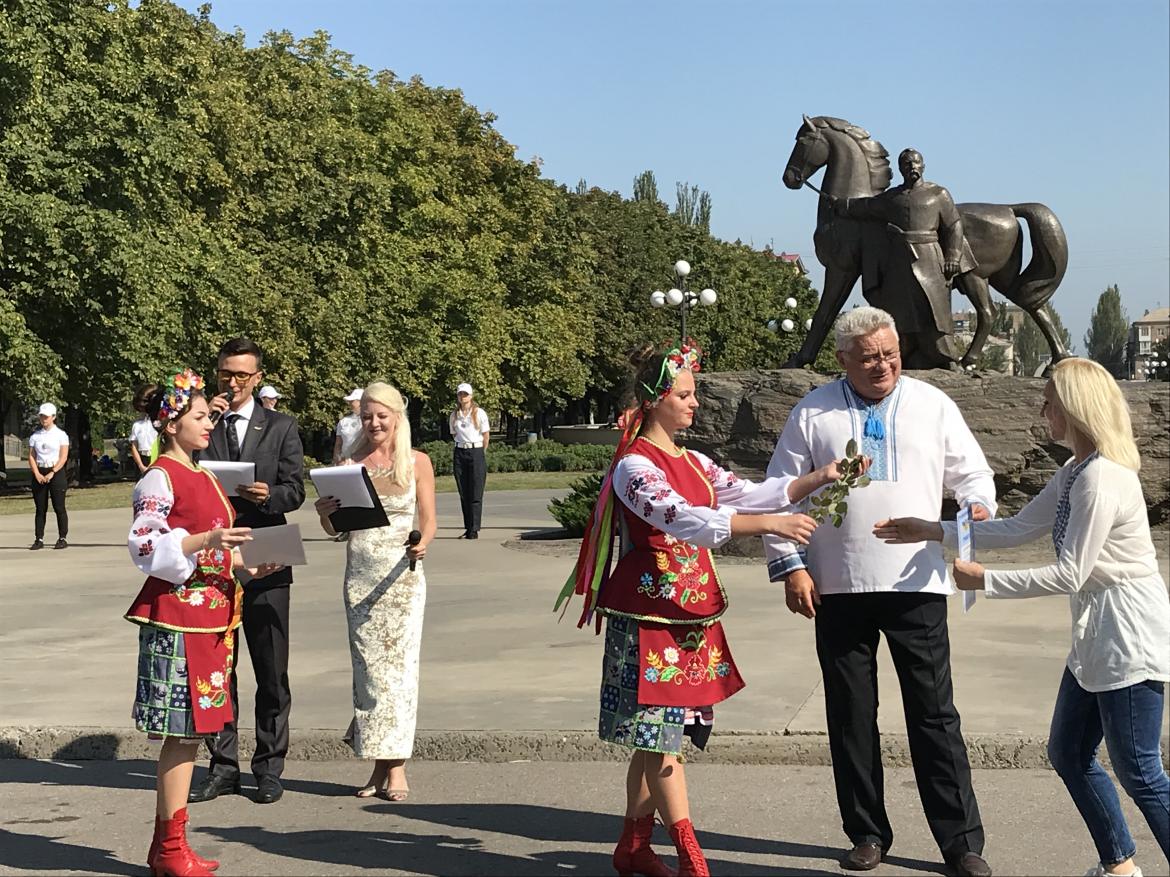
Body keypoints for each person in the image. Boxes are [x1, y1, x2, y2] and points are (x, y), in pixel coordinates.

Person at [557, 340, 854, 877]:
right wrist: (770, 525)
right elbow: (684, 519)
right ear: (656, 400)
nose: (695, 403)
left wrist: (821, 475)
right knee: (661, 740)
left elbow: (751, 494)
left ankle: (633, 846)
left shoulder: (692, 461)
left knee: (655, 739)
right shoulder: (634, 467)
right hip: (648, 616)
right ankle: (692, 859)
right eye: (685, 395)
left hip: (690, 616)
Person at [875, 357, 1170, 877]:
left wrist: (985, 581)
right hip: (1096, 636)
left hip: (1128, 636)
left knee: (1140, 771)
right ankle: (1120, 866)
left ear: (1075, 408)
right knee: (1069, 753)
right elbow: (1017, 527)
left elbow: (1071, 573)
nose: (1043, 412)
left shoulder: (1103, 479)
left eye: (1049, 402)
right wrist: (935, 529)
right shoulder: (1075, 470)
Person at [765, 306, 995, 877]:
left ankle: (961, 843)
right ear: (843, 358)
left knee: (934, 714)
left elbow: (972, 474)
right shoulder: (813, 410)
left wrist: (976, 506)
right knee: (850, 714)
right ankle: (867, 831)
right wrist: (792, 567)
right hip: (837, 582)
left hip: (916, 582)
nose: (883, 365)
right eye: (869, 358)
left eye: (891, 354)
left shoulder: (932, 404)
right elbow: (778, 493)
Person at [123, 367, 280, 876]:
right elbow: (145, 546)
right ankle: (170, 848)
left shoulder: (205, 475)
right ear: (171, 425)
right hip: (179, 620)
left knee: (191, 735)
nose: (209, 423)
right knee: (182, 734)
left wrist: (247, 565)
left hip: (212, 620)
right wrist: (208, 541)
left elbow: (214, 548)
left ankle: (166, 846)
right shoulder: (160, 477)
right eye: (199, 416)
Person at [188, 338, 306, 807]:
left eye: (241, 375)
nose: (233, 382)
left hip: (267, 549)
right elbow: (179, 474)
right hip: (215, 556)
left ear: (257, 378)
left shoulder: (281, 426)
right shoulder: (203, 424)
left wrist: (269, 496)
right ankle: (222, 767)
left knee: (271, 668)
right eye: (226, 374)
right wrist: (206, 420)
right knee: (218, 669)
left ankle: (269, 768)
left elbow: (295, 489)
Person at [314, 381, 436, 801]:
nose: (374, 423)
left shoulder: (417, 461)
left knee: (399, 674)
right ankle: (377, 764)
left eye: (382, 415)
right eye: (367, 416)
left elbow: (430, 519)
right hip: (360, 578)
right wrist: (324, 514)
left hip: (402, 579)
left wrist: (423, 542)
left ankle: (396, 766)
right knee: (369, 675)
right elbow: (335, 530)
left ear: (397, 417)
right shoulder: (349, 464)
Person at [834, 148, 977, 369]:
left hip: (930, 259)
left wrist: (953, 256)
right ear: (900, 168)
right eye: (907, 164)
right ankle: (905, 354)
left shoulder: (938, 194)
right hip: (898, 263)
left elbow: (953, 226)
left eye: (916, 163)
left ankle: (946, 357)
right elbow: (866, 207)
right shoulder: (892, 197)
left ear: (923, 166)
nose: (912, 167)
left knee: (935, 311)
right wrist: (840, 204)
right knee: (900, 311)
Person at [449, 382, 490, 539]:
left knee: (475, 491)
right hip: (460, 451)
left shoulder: (479, 413)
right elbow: (454, 434)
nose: (463, 397)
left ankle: (474, 528)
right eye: (460, 394)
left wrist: (480, 452)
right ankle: (468, 526)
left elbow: (485, 435)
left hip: (476, 451)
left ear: (471, 396)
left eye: (465, 394)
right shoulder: (454, 415)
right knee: (463, 491)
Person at [28, 402, 70, 550]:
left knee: (59, 507)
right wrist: (37, 473)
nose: (43, 419)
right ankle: (39, 538)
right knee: (40, 508)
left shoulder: (61, 435)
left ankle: (62, 537)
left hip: (56, 471)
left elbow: (63, 457)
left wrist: (53, 472)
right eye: (41, 416)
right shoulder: (35, 436)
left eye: (46, 416)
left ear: (53, 417)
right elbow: (32, 456)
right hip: (40, 470)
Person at [129, 383, 159, 478]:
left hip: (157, 457)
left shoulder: (159, 423)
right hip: (143, 458)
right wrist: (141, 465)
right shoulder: (137, 425)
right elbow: (134, 446)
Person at [332, 389, 364, 465]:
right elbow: (338, 444)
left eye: (352, 401)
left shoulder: (369, 421)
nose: (349, 403)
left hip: (362, 461)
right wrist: (337, 459)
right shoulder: (343, 421)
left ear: (361, 402)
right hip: (345, 463)